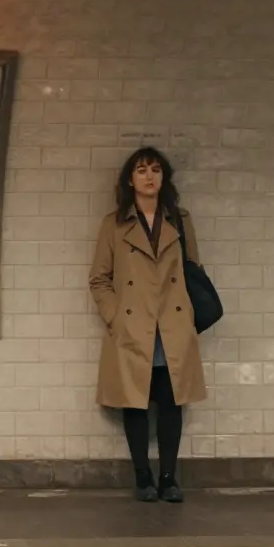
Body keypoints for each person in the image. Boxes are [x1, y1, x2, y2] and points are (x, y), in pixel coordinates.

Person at [88, 147, 207, 503]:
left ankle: (169, 477)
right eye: (141, 170)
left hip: (171, 325)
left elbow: (193, 272)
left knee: (171, 403)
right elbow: (99, 278)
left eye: (155, 169)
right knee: (135, 404)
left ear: (164, 177)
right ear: (130, 179)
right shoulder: (114, 223)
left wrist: (186, 317)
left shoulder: (180, 220)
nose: (149, 176)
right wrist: (115, 317)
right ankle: (143, 476)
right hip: (133, 327)